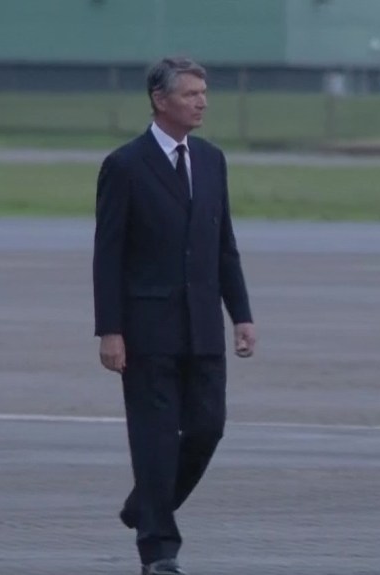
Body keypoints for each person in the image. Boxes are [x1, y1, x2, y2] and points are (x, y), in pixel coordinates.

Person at [92, 56, 257, 575]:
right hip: (147, 330)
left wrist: (242, 314)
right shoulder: (124, 165)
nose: (202, 102)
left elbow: (223, 246)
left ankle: (146, 506)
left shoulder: (212, 160)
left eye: (204, 93)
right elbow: (108, 254)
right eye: (191, 94)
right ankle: (158, 547)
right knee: (156, 440)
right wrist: (110, 330)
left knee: (208, 428)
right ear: (160, 101)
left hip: (203, 324)